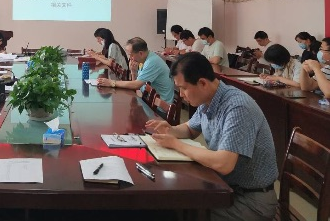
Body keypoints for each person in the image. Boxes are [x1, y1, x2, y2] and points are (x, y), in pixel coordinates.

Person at [146, 52, 278, 221]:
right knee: (171, 205)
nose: (181, 94)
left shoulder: (237, 107)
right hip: (225, 187)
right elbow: (190, 129)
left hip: (251, 200)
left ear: (202, 83)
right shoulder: (208, 99)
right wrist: (171, 130)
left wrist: (176, 144)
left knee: (179, 212)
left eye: (184, 88)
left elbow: (224, 163)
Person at [97, 37, 174, 103]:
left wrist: (112, 83)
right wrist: (133, 72)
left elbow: (136, 85)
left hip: (159, 107)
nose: (130, 58)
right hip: (149, 101)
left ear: (140, 53)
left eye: (131, 55)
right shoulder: (143, 60)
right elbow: (136, 85)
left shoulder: (151, 62)